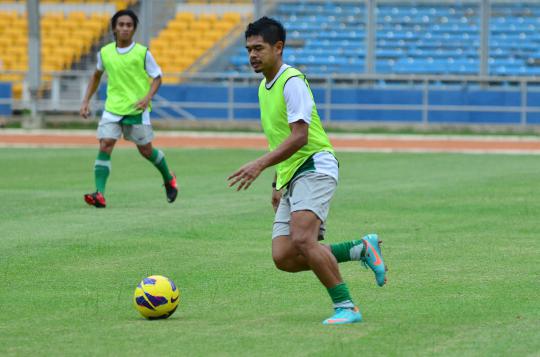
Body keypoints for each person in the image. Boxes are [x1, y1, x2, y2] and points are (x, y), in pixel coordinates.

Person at [228, 17, 387, 325]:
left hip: (314, 164)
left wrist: (260, 164)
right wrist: (277, 181)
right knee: (284, 257)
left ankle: (347, 307)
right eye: (248, 49)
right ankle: (360, 248)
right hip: (292, 173)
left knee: (303, 238)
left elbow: (300, 136)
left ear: (278, 47)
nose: (252, 55)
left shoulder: (292, 82)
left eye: (258, 48)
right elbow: (280, 136)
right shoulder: (264, 87)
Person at [80, 9, 177, 208]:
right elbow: (96, 76)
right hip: (112, 108)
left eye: (129, 25)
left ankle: (169, 179)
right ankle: (99, 193)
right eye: (121, 24)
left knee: (146, 151)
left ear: (134, 29)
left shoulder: (142, 53)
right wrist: (85, 101)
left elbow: (157, 77)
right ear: (114, 28)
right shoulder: (105, 52)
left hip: (137, 110)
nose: (125, 28)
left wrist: (147, 98)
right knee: (105, 144)